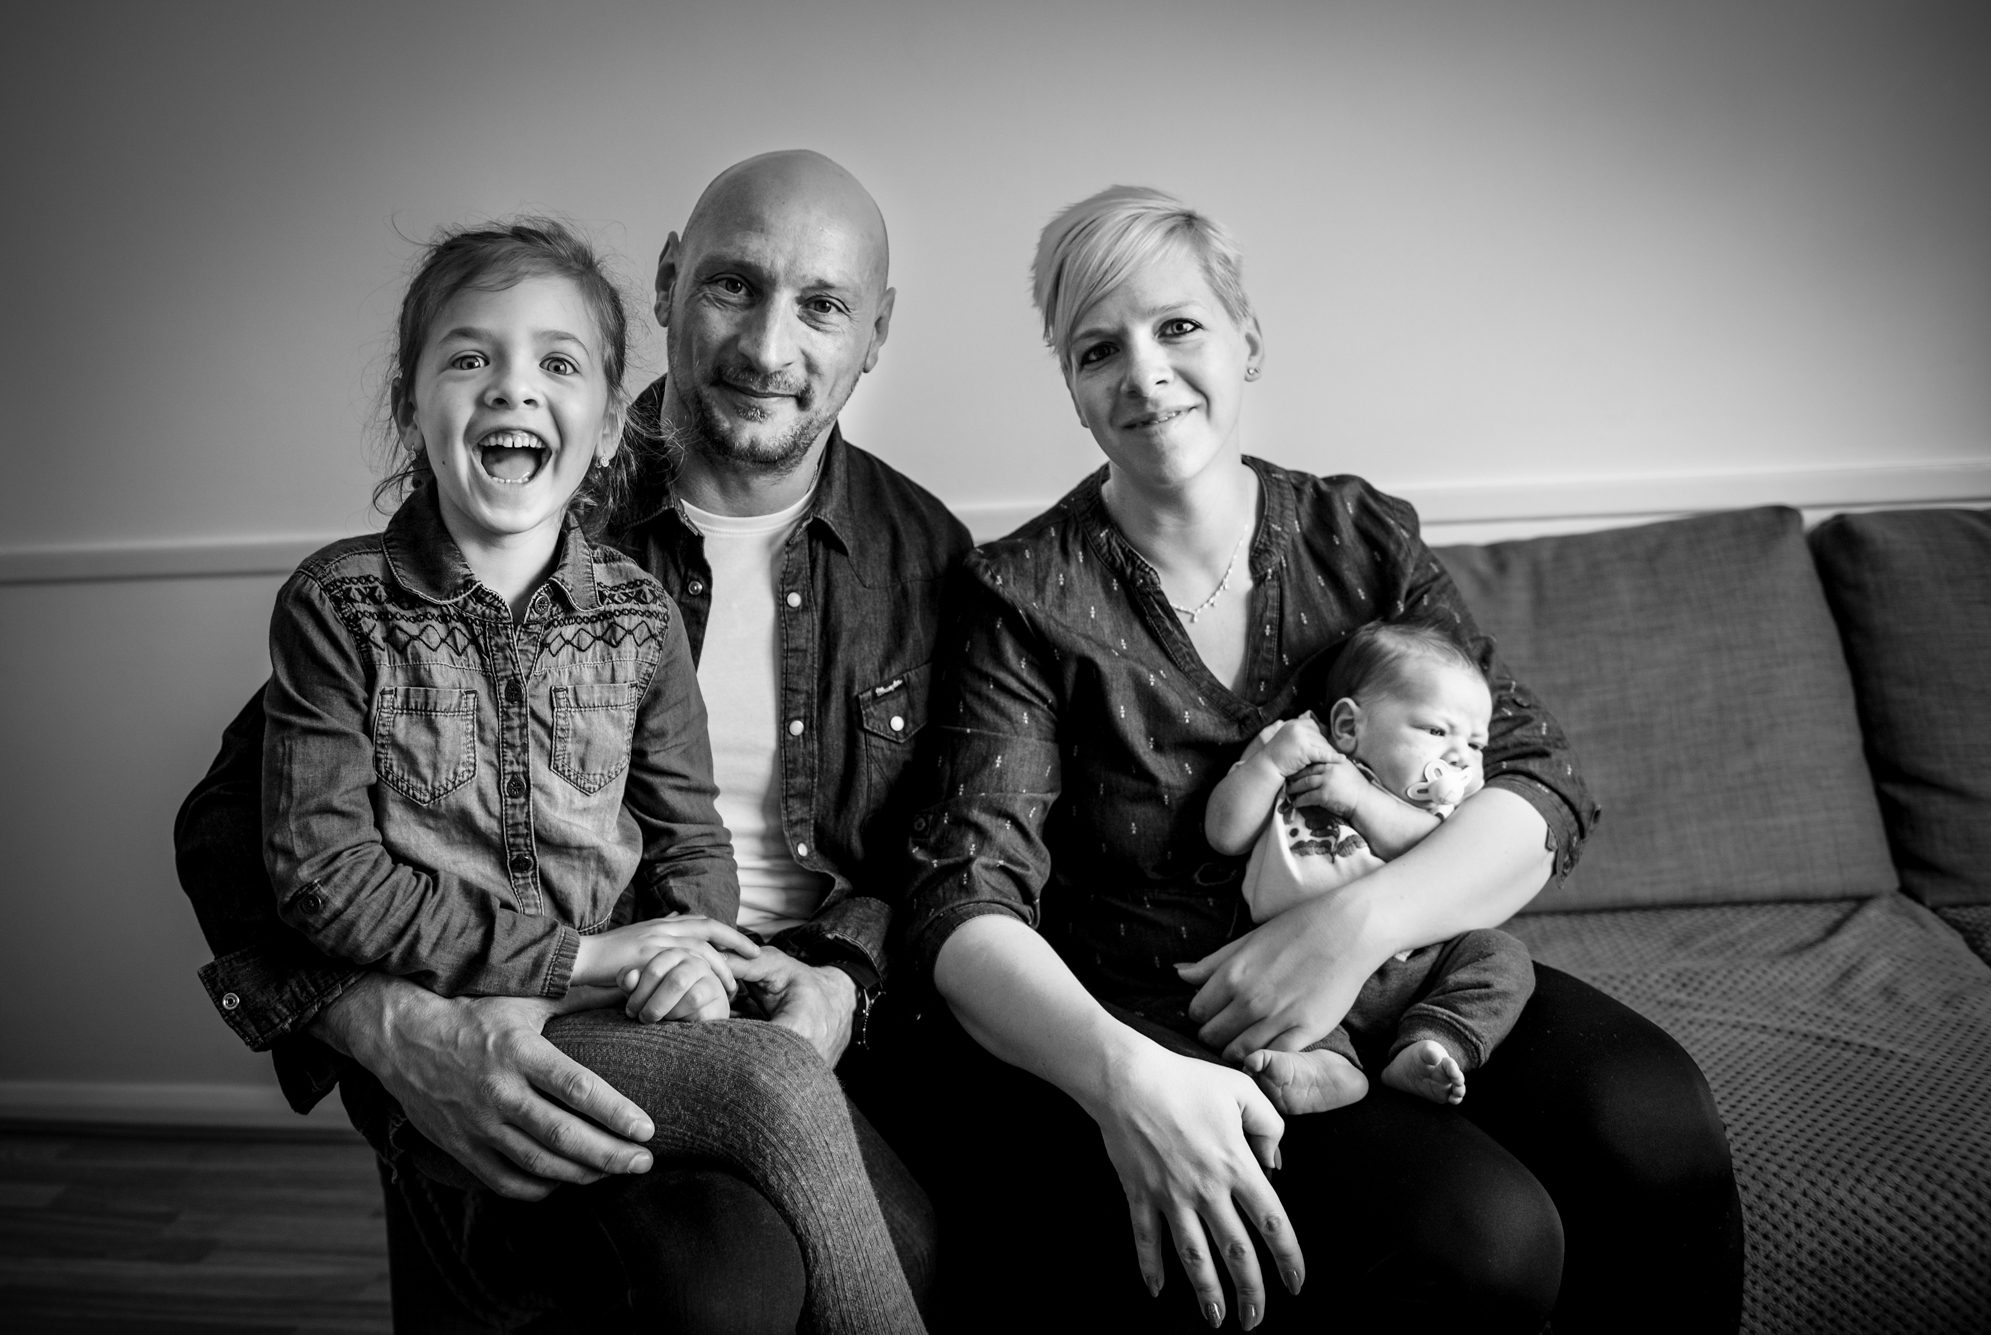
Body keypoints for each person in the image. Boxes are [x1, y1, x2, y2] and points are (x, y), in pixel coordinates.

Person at [896, 186, 1742, 1332]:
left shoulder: (1357, 535)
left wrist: (1348, 932)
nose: (1142, 372)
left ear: (1247, 336)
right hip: (1191, 1024)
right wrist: (1118, 1082)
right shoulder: (1021, 595)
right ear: (1073, 387)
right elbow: (962, 901)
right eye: (1098, 348)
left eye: (1177, 326)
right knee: (1484, 1237)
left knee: (1655, 1120)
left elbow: (1538, 784)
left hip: (1414, 966)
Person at [175, 152, 970, 1331]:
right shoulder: (512, 527)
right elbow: (238, 834)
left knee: (928, 1255)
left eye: (821, 304)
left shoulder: (923, 556)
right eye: (730, 287)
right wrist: (393, 1028)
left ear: (876, 330)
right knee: (724, 1281)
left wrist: (840, 979)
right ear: (665, 285)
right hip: (524, 995)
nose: (765, 347)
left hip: (752, 997)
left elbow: (944, 850)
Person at [1198, 619, 1533, 1114]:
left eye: (1476, 744)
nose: (1460, 755)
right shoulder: (1294, 745)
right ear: (1350, 727)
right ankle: (1330, 1069)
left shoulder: (1442, 809)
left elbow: (1433, 859)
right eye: (1437, 730)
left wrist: (1358, 800)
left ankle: (1432, 1043)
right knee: (1285, 1022)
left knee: (1502, 956)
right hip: (1298, 966)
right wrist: (1270, 764)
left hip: (1420, 963)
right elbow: (1225, 835)